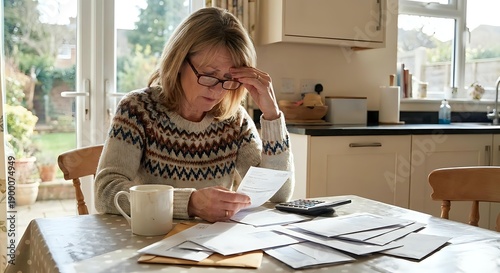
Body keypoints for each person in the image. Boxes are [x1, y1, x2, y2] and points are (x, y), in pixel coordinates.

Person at [95, 7, 294, 223]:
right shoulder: (138, 110)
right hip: (151, 239)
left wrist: (273, 116)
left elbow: (279, 194)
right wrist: (189, 203)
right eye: (208, 75)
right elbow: (105, 191)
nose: (217, 91)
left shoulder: (235, 120)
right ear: (179, 61)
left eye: (229, 80)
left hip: (212, 248)